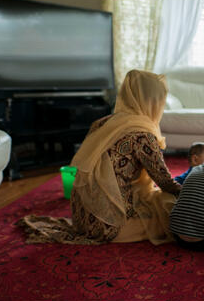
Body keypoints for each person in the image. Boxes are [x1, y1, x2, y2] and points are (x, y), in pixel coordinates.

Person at [17, 70, 181, 245]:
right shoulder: (142, 135)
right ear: (153, 102)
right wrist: (188, 192)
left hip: (82, 218)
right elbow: (164, 182)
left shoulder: (103, 123)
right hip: (110, 224)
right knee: (170, 210)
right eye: (160, 101)